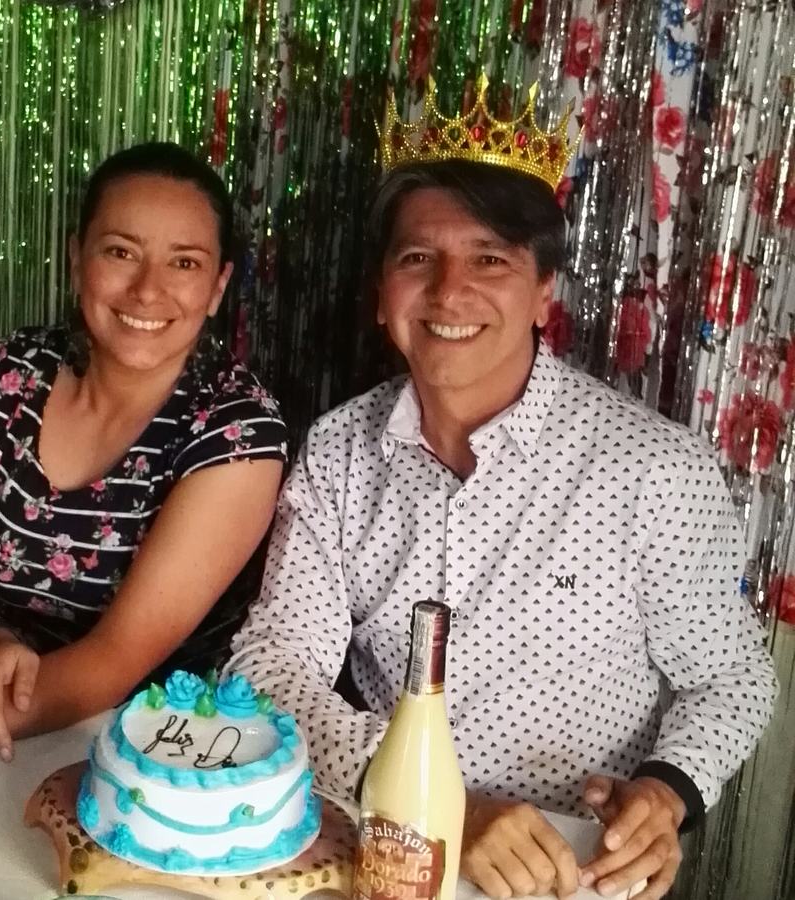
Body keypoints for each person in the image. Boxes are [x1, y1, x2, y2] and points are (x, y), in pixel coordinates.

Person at [226, 148, 777, 899]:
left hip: (574, 868)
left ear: (543, 290)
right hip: (386, 857)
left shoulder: (651, 467)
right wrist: (433, 807)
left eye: (490, 259)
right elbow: (271, 667)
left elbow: (733, 677)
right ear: (382, 294)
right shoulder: (339, 452)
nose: (451, 291)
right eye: (419, 257)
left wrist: (667, 788)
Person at [0, 142, 288, 824]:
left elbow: (114, 662)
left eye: (184, 263)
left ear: (216, 288)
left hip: (149, 723)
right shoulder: (4, 377)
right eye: (120, 251)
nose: (148, 290)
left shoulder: (236, 428)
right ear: (76, 259)